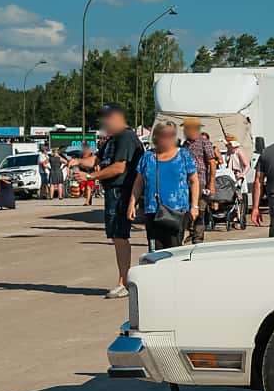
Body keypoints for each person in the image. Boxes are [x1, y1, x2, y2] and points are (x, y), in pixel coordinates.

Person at [73, 105, 144, 299]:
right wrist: (77, 162)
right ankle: (123, 280)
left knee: (120, 236)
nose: (103, 124)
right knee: (116, 236)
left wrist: (90, 177)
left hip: (122, 192)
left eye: (105, 119)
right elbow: (96, 159)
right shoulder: (112, 139)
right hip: (112, 192)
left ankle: (124, 282)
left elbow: (119, 167)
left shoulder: (126, 138)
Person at [130, 121, 198, 251]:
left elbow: (194, 181)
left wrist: (194, 206)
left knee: (174, 252)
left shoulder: (183, 155)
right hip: (153, 211)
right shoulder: (148, 157)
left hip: (177, 212)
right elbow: (139, 182)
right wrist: (132, 204)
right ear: (156, 136)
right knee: (155, 252)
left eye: (171, 135)